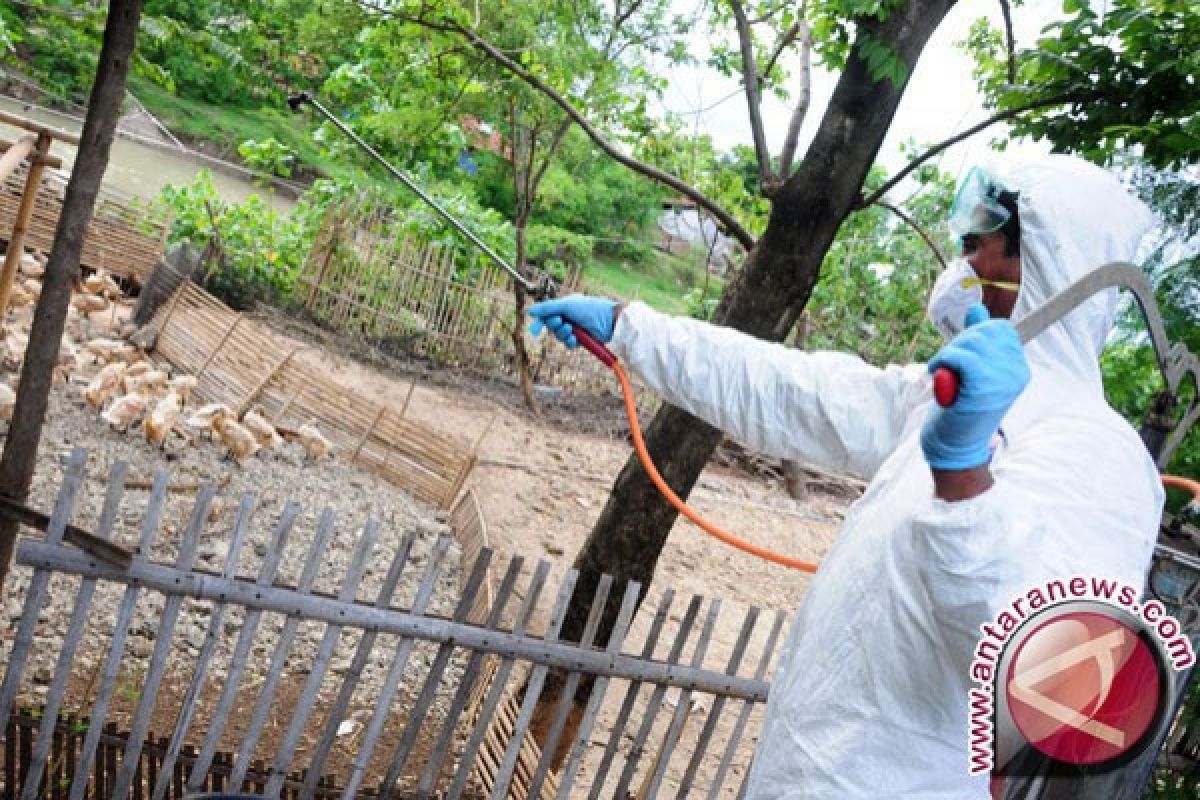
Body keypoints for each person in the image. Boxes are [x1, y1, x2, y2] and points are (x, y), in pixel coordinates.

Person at [528, 155, 1164, 798]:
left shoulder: (1102, 458)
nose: (962, 266)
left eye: (979, 243)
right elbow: (792, 392)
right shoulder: (938, 399)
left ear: (1049, 265)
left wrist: (965, 479)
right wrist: (633, 330)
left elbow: (1050, 672)